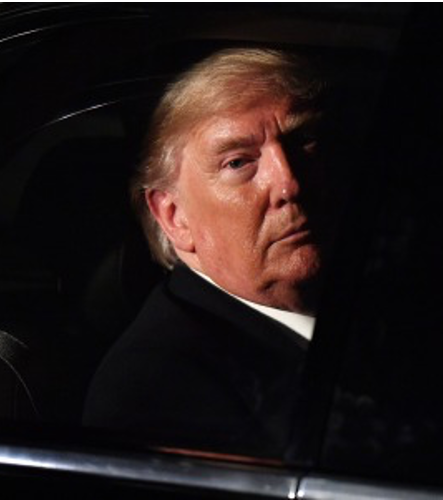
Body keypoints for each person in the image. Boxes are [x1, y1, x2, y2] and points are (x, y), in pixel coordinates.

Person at [83, 48, 336, 456]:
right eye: (238, 162)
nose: (289, 184)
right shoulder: (155, 391)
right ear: (175, 216)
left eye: (303, 140)